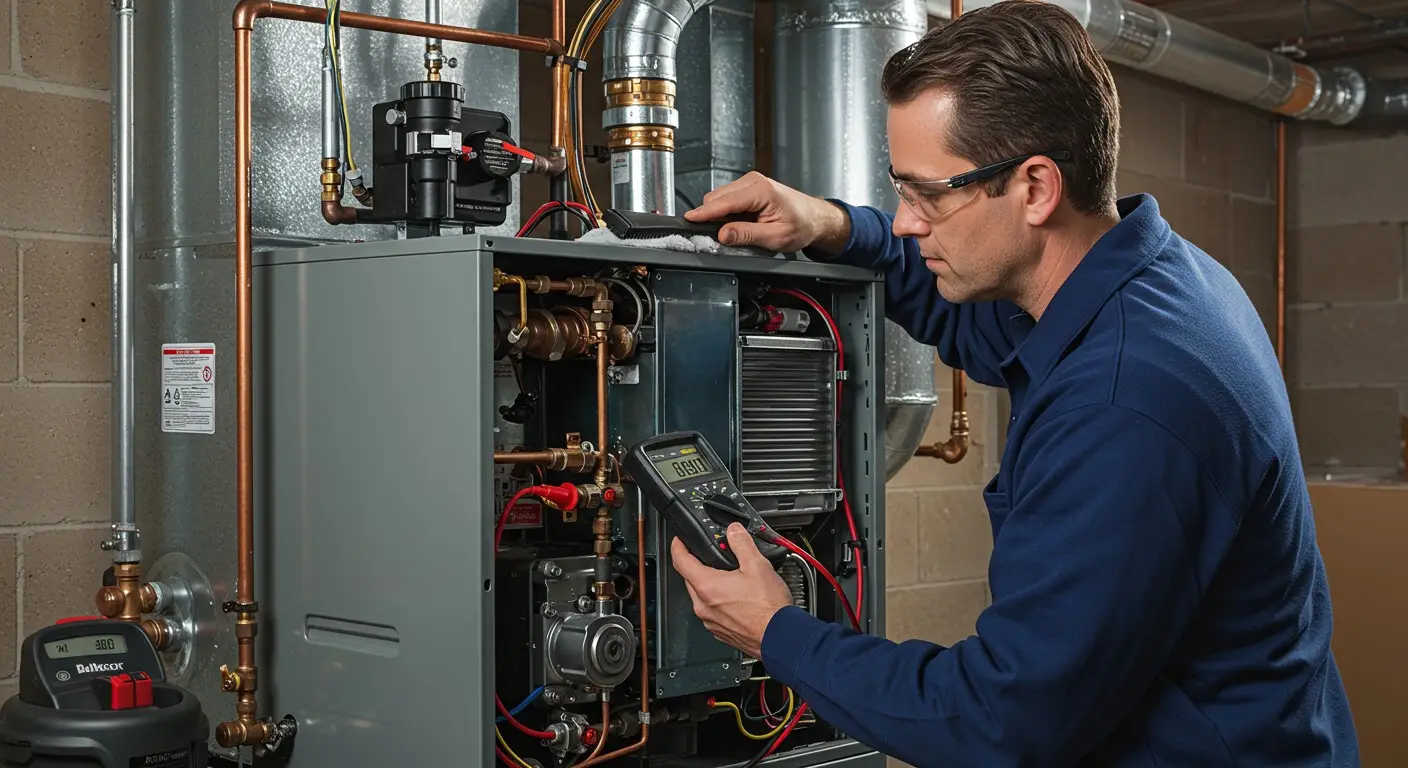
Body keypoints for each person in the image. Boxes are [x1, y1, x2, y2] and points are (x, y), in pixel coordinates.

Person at [667, 1, 1360, 765]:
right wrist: (832, 224)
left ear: (1035, 188)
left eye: (927, 194)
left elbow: (1000, 720)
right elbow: (973, 320)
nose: (904, 221)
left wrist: (776, 630)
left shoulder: (1127, 398)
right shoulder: (1150, 282)